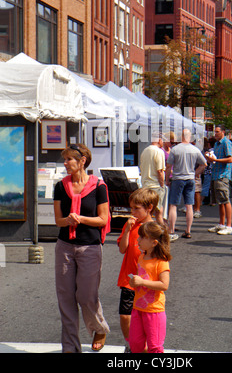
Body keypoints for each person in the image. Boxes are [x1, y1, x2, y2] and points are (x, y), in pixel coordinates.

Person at [54, 144, 110, 353]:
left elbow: (103, 219)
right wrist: (67, 220)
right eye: (65, 159)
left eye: (69, 159)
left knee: (86, 295)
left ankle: (99, 327)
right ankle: (70, 348)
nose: (66, 163)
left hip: (90, 247)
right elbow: (58, 221)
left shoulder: (99, 186)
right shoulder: (61, 186)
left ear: (82, 161)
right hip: (65, 246)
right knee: (66, 298)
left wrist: (81, 219)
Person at [117, 188, 158, 353]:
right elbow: (122, 249)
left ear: (149, 207)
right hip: (129, 279)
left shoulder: (155, 228)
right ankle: (130, 344)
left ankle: (144, 346)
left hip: (147, 281)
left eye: (136, 208)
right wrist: (127, 229)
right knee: (125, 315)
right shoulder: (131, 225)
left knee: (145, 317)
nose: (132, 212)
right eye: (131, 208)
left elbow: (162, 256)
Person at [128, 221, 172, 353]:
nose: (138, 239)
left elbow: (164, 285)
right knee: (135, 343)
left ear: (154, 243)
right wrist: (134, 283)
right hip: (138, 308)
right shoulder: (142, 256)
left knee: (155, 346)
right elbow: (141, 278)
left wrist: (141, 282)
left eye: (142, 237)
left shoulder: (161, 261)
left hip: (154, 311)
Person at [165, 129, 206, 240]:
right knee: (189, 205)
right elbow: (204, 164)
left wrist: (167, 179)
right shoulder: (195, 149)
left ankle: (172, 230)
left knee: (173, 205)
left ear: (180, 136)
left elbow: (168, 166)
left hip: (178, 178)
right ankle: (188, 230)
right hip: (190, 179)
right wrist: (195, 173)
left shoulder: (175, 149)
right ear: (190, 137)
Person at [207, 125, 232, 235]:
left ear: (223, 132)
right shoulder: (217, 144)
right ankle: (221, 224)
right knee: (220, 201)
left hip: (222, 175)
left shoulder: (226, 143)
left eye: (217, 132)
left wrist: (216, 160)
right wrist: (210, 158)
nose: (215, 133)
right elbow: (216, 159)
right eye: (215, 132)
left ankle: (228, 225)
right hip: (216, 174)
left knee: (225, 200)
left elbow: (230, 158)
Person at [140, 132, 166, 226]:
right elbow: (160, 171)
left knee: (148, 211)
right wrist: (162, 184)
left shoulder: (145, 151)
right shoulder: (159, 151)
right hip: (155, 185)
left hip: (145, 185)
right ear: (159, 140)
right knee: (158, 212)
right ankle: (162, 232)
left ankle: (147, 231)